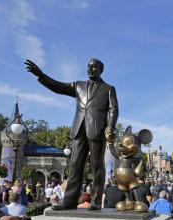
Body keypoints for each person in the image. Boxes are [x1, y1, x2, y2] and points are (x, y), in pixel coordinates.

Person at [25, 58, 119, 211]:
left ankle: (95, 201)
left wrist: (110, 127)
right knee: (75, 165)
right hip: (79, 129)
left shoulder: (108, 89)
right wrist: (41, 75)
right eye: (88, 66)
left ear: (101, 69)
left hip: (97, 130)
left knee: (97, 167)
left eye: (94, 67)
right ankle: (69, 201)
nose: (90, 69)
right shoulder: (78, 86)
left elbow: (114, 109)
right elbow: (59, 87)